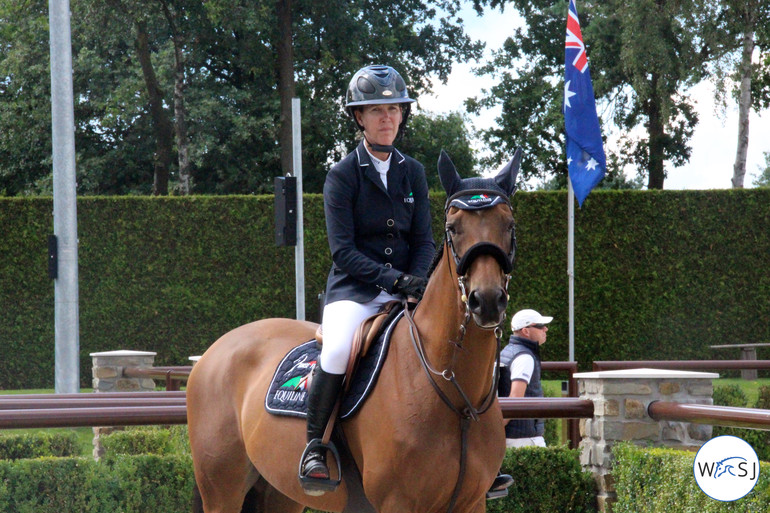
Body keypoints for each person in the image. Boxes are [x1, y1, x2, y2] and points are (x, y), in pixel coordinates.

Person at [299, 64, 436, 494]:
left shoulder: (412, 171)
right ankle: (314, 447)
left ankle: (467, 450)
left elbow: (425, 241)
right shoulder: (341, 176)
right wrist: (395, 281)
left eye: (394, 109)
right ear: (358, 117)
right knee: (338, 348)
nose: (387, 118)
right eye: (376, 110)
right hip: (354, 292)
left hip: (407, 291)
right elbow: (343, 252)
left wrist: (415, 282)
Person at [500, 308, 553, 447]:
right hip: (524, 439)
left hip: (511, 436)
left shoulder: (507, 351)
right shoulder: (524, 357)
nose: (545, 329)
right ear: (526, 331)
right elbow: (515, 398)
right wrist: (497, 428)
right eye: (540, 326)